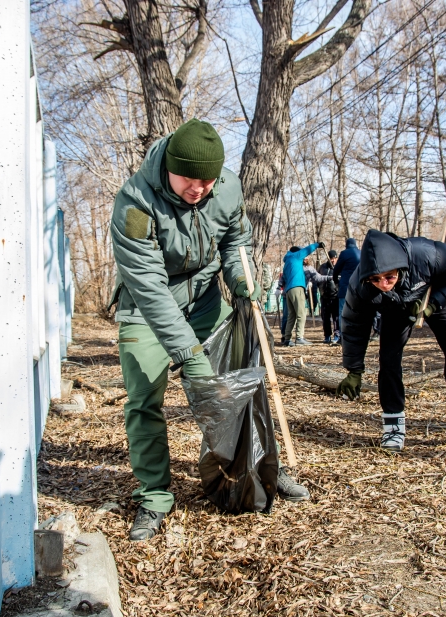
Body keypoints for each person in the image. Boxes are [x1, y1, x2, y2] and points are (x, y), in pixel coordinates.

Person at [110, 119, 308, 541]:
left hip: (203, 301)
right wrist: (189, 356)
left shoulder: (229, 188)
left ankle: (258, 466)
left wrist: (241, 281)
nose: (198, 189)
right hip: (147, 308)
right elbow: (149, 287)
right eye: (189, 180)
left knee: (241, 379)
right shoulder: (134, 203)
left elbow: (237, 243)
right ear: (169, 168)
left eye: (207, 181)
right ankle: (155, 496)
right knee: (144, 398)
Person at [335, 229, 446, 454]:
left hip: (436, 298)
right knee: (389, 359)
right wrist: (354, 370)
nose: (383, 284)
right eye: (376, 279)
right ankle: (393, 426)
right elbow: (354, 326)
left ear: (400, 268)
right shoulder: (360, 284)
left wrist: (432, 305)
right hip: (395, 308)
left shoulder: (429, 254)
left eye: (390, 277)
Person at [281, 244, 326, 345]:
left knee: (291, 315)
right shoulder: (296, 256)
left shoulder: (287, 261)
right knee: (301, 313)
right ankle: (299, 337)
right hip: (297, 288)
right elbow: (308, 249)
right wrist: (317, 244)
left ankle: (287, 339)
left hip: (288, 290)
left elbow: (284, 278)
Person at [332, 237, 361, 330]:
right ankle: (356, 334)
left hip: (345, 286)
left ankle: (343, 335)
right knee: (357, 311)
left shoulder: (344, 253)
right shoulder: (361, 253)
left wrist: (336, 281)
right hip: (359, 288)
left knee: (342, 312)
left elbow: (336, 270)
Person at [318, 250, 341, 344]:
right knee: (325, 317)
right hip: (324, 296)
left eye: (335, 258)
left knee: (336, 317)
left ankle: (337, 334)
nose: (333, 260)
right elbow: (318, 278)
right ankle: (327, 335)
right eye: (331, 258)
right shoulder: (322, 267)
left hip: (335, 296)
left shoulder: (339, 267)